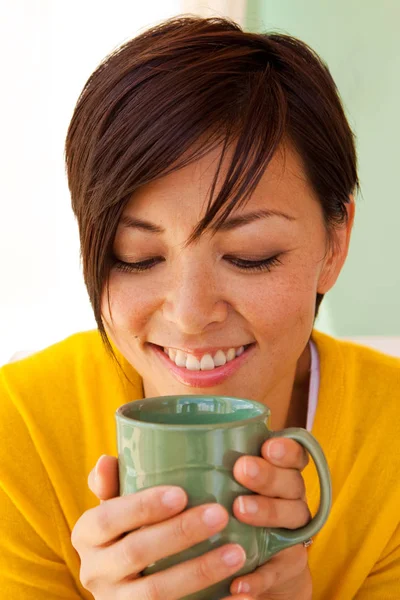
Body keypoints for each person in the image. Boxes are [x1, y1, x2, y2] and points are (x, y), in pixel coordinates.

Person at [0, 14, 399, 600]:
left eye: (250, 255)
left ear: (334, 245)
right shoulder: (18, 434)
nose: (189, 315)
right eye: (135, 256)